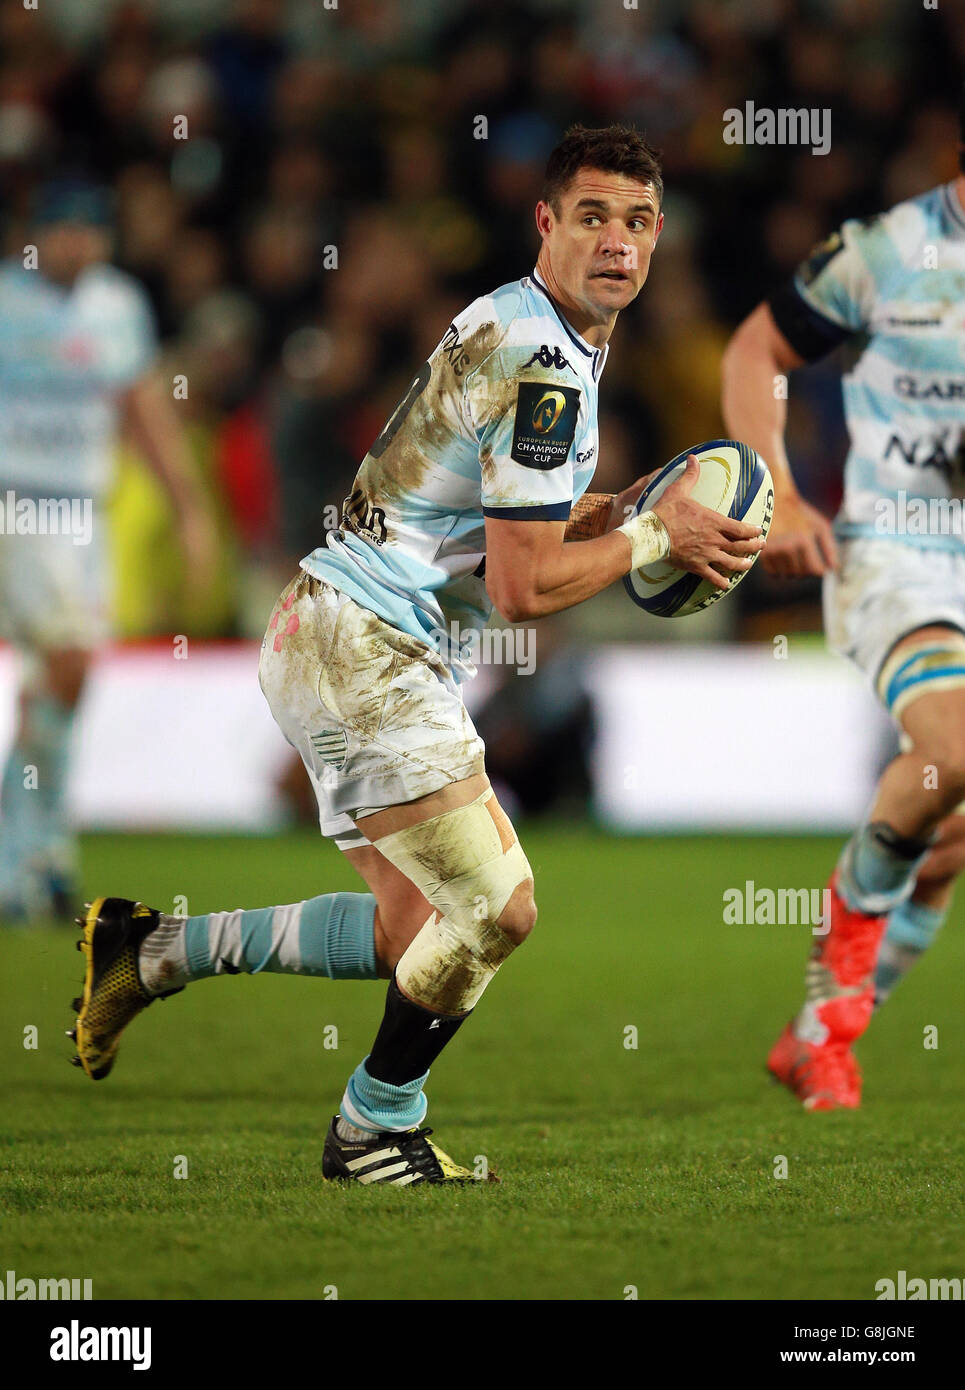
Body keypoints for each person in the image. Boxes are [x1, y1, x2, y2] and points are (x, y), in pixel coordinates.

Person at [70, 126, 762, 1183]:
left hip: (339, 628)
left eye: (635, 222)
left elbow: (483, 534)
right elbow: (521, 589)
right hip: (362, 645)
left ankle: (153, 951)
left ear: (657, 236)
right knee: (496, 908)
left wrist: (608, 514)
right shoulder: (547, 367)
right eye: (590, 217)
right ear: (545, 222)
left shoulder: (527, 324)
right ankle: (373, 1126)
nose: (616, 243)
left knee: (412, 935)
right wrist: (658, 537)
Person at [721, 98, 965, 1110]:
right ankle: (834, 1023)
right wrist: (771, 493)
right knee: (949, 754)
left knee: (942, 838)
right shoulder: (889, 252)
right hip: (899, 554)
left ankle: (812, 1032)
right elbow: (752, 355)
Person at [0, 178, 216, 922]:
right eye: (63, 229)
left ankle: (35, 850)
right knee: (65, 663)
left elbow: (143, 407)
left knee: (63, 679)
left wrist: (189, 508)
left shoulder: (116, 305)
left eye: (90, 231)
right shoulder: (4, 301)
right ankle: (26, 850)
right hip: (16, 502)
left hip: (81, 512)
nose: (77, 244)